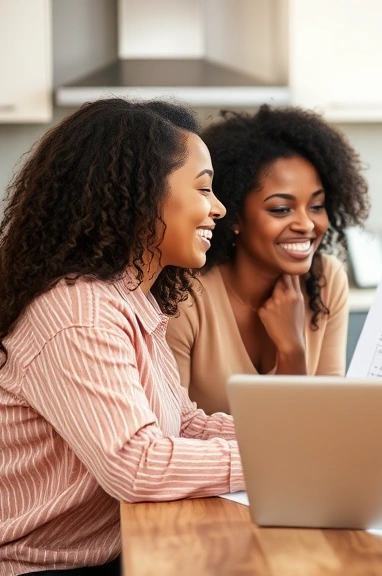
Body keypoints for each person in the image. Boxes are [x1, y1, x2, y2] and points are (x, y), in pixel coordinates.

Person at [0, 99, 242, 575]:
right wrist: (277, 460)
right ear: (141, 196)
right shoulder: (79, 312)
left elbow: (182, 425)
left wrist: (295, 440)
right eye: (204, 189)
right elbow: (137, 463)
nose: (218, 207)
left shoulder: (128, 297)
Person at [166, 106, 370, 415]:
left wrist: (292, 351)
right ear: (233, 215)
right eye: (281, 209)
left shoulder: (326, 281)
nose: (307, 224)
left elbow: (325, 421)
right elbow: (172, 431)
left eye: (317, 206)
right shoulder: (184, 294)